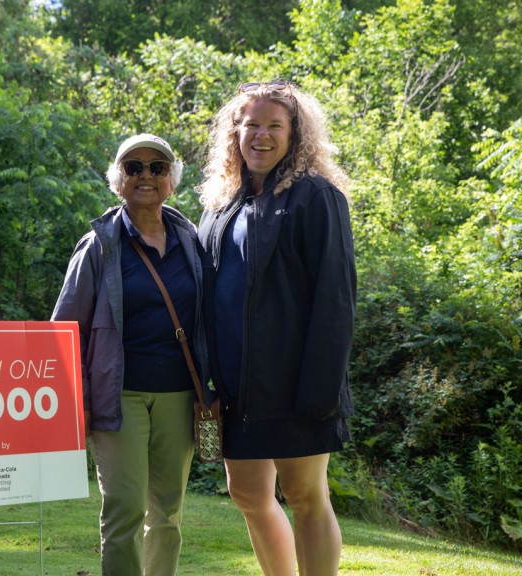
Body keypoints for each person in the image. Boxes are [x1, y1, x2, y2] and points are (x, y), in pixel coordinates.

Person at [196, 80, 356, 576]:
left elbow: (335, 299)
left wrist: (320, 389)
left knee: (306, 496)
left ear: (296, 134)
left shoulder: (317, 197)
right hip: (236, 388)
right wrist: (207, 382)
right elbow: (204, 298)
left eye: (274, 126)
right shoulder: (221, 205)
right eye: (251, 126)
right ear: (234, 135)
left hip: (298, 385)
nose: (260, 136)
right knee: (246, 493)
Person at [51, 133, 209, 576]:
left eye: (157, 167)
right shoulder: (98, 246)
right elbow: (65, 331)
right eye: (133, 167)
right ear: (117, 180)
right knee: (123, 510)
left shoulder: (191, 243)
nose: (145, 175)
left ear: (172, 180)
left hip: (179, 397)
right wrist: (75, 402)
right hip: (117, 398)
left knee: (169, 514)